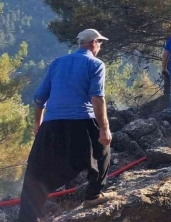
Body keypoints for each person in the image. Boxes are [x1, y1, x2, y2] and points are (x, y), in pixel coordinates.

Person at [19, 29, 115, 222]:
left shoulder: (57, 63)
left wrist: (38, 124)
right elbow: (97, 97)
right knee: (102, 149)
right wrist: (104, 128)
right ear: (93, 43)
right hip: (81, 120)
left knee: (37, 169)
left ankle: (27, 217)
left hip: (51, 123)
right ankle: (93, 195)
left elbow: (39, 98)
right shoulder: (95, 64)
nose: (100, 47)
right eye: (100, 43)